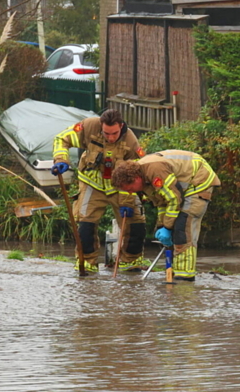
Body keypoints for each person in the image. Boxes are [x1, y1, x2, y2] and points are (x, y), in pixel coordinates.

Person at [51, 109, 146, 273]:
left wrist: (127, 202)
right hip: (92, 183)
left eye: (114, 133)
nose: (110, 137)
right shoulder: (88, 127)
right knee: (85, 221)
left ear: (121, 126)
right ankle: (87, 261)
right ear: (101, 126)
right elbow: (61, 139)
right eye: (106, 133)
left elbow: (135, 175)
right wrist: (61, 159)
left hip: (120, 188)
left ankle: (131, 261)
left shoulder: (131, 141)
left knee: (136, 221)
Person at [112, 150, 220, 282]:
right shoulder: (145, 180)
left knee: (183, 227)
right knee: (173, 228)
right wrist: (162, 225)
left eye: (128, 188)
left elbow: (174, 199)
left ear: (135, 179)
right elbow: (163, 203)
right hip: (183, 190)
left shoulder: (156, 171)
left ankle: (185, 276)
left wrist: (168, 227)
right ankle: (174, 271)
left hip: (199, 182)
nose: (129, 192)